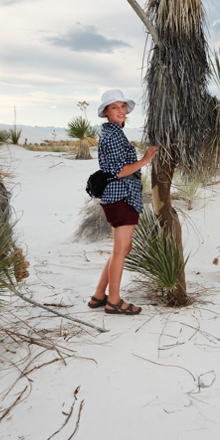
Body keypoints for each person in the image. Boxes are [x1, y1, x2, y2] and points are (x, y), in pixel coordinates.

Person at [88, 89, 157, 315]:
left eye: (123, 106)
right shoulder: (112, 135)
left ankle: (99, 295)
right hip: (121, 195)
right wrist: (145, 160)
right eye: (115, 107)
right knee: (120, 250)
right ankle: (114, 301)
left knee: (123, 248)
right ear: (106, 112)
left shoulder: (113, 132)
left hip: (120, 195)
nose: (121, 111)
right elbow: (119, 171)